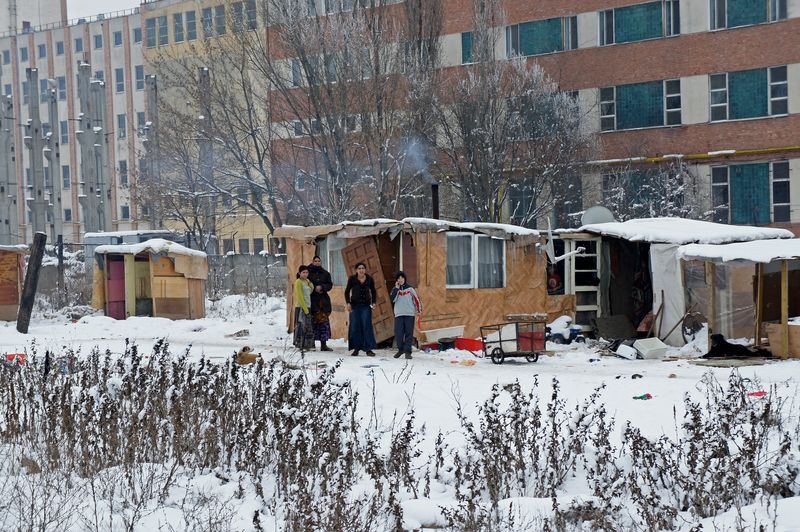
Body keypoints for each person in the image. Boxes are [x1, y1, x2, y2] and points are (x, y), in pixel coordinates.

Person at [344, 262, 377, 357]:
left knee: (366, 326)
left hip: (366, 306)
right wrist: (348, 303)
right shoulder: (352, 279)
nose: (361, 270)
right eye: (359, 268)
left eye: (363, 268)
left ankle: (368, 349)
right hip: (354, 306)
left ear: (365, 270)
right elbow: (347, 292)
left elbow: (373, 291)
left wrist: (374, 302)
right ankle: (356, 349)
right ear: (356, 270)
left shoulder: (369, 279)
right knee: (355, 327)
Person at [390, 271, 422, 360]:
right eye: (398, 278)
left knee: (409, 333)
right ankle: (401, 350)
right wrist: (396, 289)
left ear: (404, 278)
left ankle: (407, 352)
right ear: (396, 280)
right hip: (399, 314)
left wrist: (419, 310)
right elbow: (392, 299)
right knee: (398, 333)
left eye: (402, 278)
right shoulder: (395, 289)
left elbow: (416, 300)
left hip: (409, 314)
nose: (400, 280)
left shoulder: (410, 289)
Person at [307, 255, 333, 351]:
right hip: (312, 300)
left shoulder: (325, 273)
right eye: (315, 261)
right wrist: (314, 288)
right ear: (312, 262)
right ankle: (311, 344)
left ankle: (323, 345)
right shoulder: (308, 272)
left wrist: (322, 287)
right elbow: (302, 280)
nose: (317, 262)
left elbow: (330, 284)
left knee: (324, 323)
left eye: (319, 261)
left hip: (323, 301)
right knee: (312, 323)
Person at [293, 265, 315, 351]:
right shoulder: (298, 282)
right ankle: (300, 344)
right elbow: (300, 297)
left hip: (308, 306)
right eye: (303, 272)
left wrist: (309, 282)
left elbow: (311, 290)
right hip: (301, 307)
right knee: (301, 326)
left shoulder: (306, 281)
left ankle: (307, 345)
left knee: (307, 326)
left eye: (307, 272)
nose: (305, 274)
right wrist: (305, 309)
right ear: (299, 273)